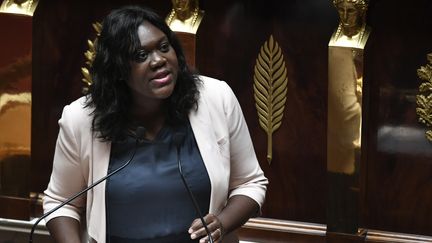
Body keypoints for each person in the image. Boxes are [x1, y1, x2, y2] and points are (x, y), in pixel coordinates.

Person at [43, 5, 268, 243]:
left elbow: (250, 183)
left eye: (164, 47)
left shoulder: (216, 98)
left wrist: (222, 223)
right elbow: (60, 203)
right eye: (141, 55)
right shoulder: (81, 118)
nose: (159, 60)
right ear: (117, 68)